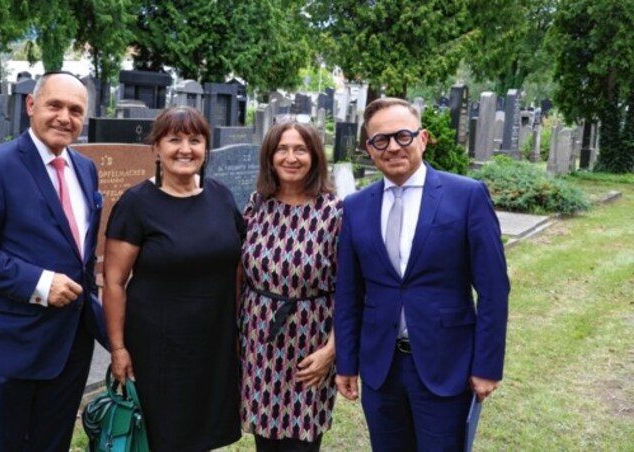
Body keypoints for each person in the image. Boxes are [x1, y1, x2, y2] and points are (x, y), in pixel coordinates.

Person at [334, 97, 510, 451]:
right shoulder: (355, 207)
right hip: (381, 367)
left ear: (423, 138)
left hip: (445, 364)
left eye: (402, 136)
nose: (393, 147)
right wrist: (347, 363)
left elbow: (493, 289)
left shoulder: (466, 196)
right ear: (369, 148)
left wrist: (487, 365)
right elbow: (349, 293)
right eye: (380, 140)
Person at [0, 72, 107, 451]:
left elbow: (80, 256)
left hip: (69, 345)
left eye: (75, 110)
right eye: (55, 105)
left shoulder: (85, 169)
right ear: (31, 106)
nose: (64, 117)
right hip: (11, 345)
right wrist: (40, 283)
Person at [102, 107, 243, 451]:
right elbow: (114, 281)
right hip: (158, 347)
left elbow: (238, 266)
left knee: (203, 432)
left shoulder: (221, 197)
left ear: (205, 149)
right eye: (174, 139)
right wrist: (118, 348)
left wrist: (240, 326)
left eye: (195, 140)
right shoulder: (136, 204)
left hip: (214, 341)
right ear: (156, 149)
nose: (185, 148)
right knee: (162, 434)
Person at [239, 121, 342, 451]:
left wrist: (332, 349)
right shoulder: (258, 204)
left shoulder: (334, 212)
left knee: (301, 441)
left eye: (300, 149)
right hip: (259, 342)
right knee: (265, 440)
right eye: (282, 149)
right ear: (270, 157)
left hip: (310, 342)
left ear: (314, 156)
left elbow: (352, 289)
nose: (291, 157)